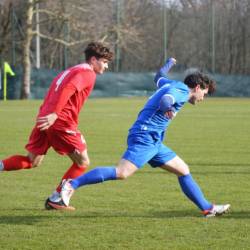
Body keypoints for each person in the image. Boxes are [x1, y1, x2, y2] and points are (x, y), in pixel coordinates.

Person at [59, 57, 230, 217]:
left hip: (154, 141)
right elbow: (166, 99)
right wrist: (168, 107)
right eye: (205, 94)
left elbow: (159, 76)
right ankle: (71, 185)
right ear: (198, 88)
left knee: (183, 170)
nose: (202, 98)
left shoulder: (172, 83)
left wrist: (169, 64)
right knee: (121, 172)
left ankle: (208, 208)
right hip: (145, 136)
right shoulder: (182, 91)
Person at [0, 42, 113, 210]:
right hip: (60, 121)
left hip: (44, 118)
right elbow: (68, 88)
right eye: (104, 61)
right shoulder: (87, 73)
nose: (106, 66)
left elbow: (56, 90)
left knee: (32, 160)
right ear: (93, 59)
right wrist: (55, 114)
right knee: (82, 162)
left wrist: (48, 114)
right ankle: (57, 198)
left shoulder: (70, 70)